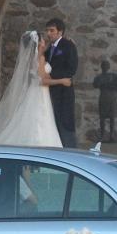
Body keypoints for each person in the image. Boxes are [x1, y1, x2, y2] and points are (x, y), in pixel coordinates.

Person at [0, 30, 69, 147]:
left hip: (34, 93)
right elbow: (42, 81)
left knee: (30, 120)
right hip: (39, 94)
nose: (45, 42)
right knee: (40, 120)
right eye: (42, 40)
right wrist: (62, 81)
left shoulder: (31, 59)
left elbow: (40, 75)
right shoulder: (40, 59)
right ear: (38, 43)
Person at [44, 18, 78, 148]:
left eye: (52, 30)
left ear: (60, 32)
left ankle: (70, 150)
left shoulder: (68, 45)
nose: (49, 33)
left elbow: (71, 68)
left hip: (64, 92)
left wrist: (51, 75)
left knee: (65, 123)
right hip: (51, 92)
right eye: (47, 30)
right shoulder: (49, 48)